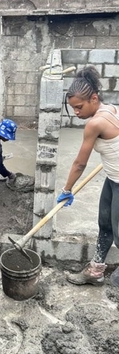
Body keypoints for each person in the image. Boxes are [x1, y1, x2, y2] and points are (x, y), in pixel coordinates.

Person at [56, 65, 119, 286]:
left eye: (79, 107)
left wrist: (66, 190)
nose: (76, 112)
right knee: (105, 224)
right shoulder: (110, 109)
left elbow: (80, 163)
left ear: (94, 98)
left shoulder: (95, 123)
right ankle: (96, 271)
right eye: (73, 108)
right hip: (113, 178)